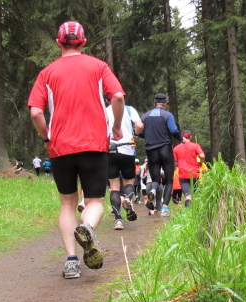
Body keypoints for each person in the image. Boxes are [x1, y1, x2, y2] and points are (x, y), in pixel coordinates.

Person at [28, 21, 125, 279]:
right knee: (95, 201)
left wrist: (46, 137)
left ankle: (71, 262)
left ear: (58, 42)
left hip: (60, 147)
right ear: (83, 41)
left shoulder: (47, 73)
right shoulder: (98, 66)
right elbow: (117, 96)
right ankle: (88, 227)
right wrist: (116, 126)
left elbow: (36, 112)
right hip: (94, 144)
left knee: (67, 203)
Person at [140, 93, 182, 217]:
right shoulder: (168, 115)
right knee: (169, 181)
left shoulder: (145, 116)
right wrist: (181, 138)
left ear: (154, 104)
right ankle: (164, 209)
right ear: (165, 104)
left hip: (151, 151)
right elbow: (173, 130)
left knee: (155, 179)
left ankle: (153, 190)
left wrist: (148, 134)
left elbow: (140, 132)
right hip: (165, 149)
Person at [106, 99, 144, 230]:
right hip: (127, 149)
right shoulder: (129, 109)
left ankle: (118, 220)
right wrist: (134, 134)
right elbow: (140, 125)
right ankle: (128, 199)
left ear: (107, 100)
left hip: (110, 150)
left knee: (114, 187)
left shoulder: (104, 111)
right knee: (129, 181)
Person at [173, 130, 205, 207]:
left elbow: (174, 162)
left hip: (183, 175)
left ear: (182, 137)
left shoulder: (176, 148)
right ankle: (197, 210)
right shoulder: (195, 146)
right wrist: (201, 162)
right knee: (197, 194)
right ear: (190, 137)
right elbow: (202, 156)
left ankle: (188, 210)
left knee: (188, 196)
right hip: (194, 173)